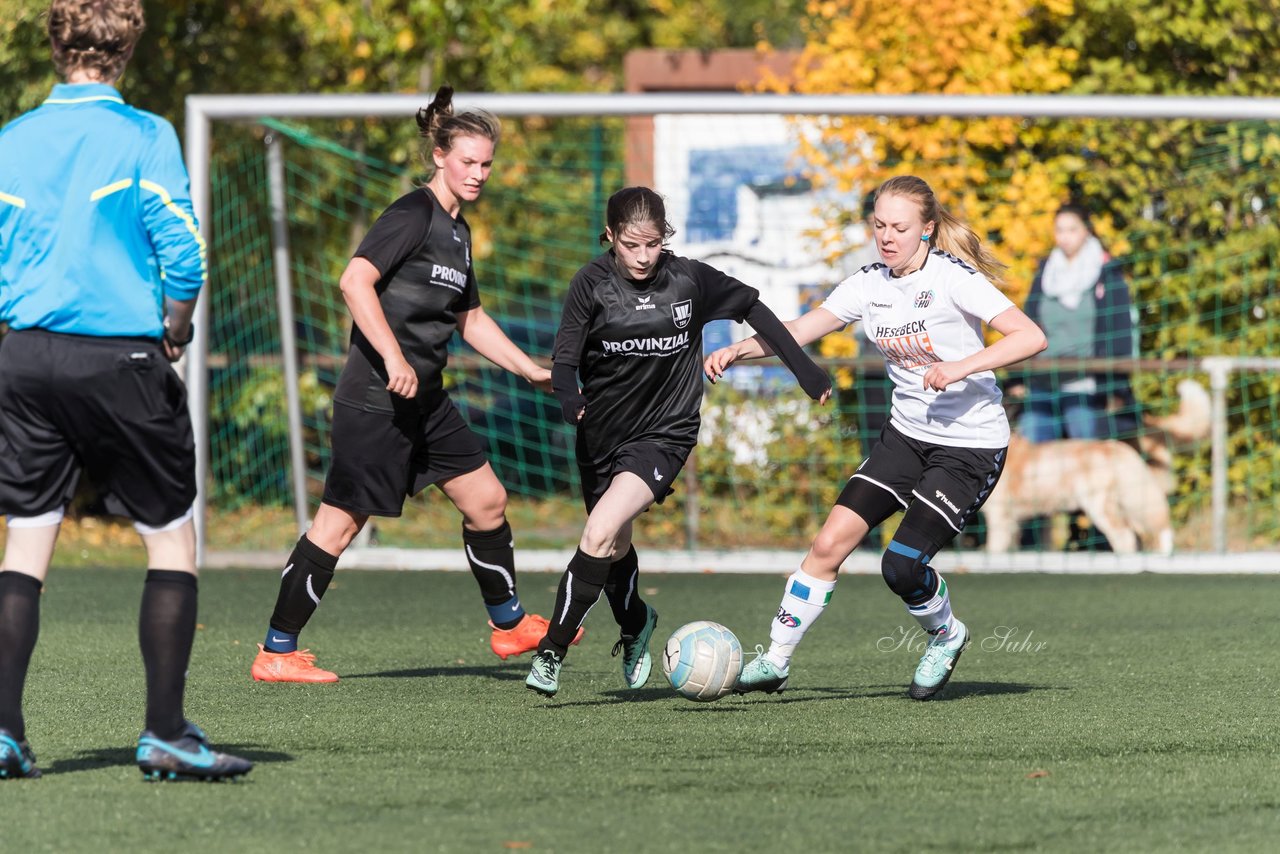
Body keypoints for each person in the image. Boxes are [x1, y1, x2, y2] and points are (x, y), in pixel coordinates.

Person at [249, 86, 579, 684]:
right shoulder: (412, 214)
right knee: (339, 525)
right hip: (376, 400)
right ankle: (276, 650)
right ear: (440, 157)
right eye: (467, 162)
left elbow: (470, 321)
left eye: (486, 164)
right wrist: (393, 356)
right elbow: (354, 282)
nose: (478, 174)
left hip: (426, 402)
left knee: (487, 501)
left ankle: (508, 627)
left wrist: (530, 369)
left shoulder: (460, 232)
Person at [0, 0, 251, 780]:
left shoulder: (10, 141)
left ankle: (4, 734)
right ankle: (167, 732)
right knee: (172, 536)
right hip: (119, 361)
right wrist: (176, 326)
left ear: (55, 47)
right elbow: (184, 250)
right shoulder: (145, 135)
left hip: (25, 359)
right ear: (127, 51)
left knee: (26, 539)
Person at [704, 175, 1047, 700]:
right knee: (827, 545)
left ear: (927, 230)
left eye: (900, 228)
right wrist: (740, 350)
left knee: (900, 566)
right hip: (904, 439)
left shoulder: (955, 280)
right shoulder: (868, 283)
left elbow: (1031, 336)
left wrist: (960, 367)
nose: (887, 237)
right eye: (879, 225)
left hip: (970, 447)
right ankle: (773, 660)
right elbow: (798, 329)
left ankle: (946, 634)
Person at [524, 187, 831, 697]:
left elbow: (755, 310)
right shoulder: (591, 285)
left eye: (652, 244)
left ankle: (550, 653)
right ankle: (637, 622)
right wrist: (568, 398)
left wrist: (805, 371)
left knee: (598, 531)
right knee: (613, 545)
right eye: (630, 245)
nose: (643, 257)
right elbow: (564, 359)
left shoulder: (689, 279)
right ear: (610, 237)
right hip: (600, 435)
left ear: (664, 238)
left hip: (665, 433)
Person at [1015, 203, 1138, 549]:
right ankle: (1032, 546)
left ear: (1086, 230)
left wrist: (1117, 386)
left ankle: (1096, 541)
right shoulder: (1045, 273)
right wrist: (1019, 375)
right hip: (1042, 384)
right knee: (1033, 467)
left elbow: (1119, 333)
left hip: (1086, 385)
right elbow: (1027, 323)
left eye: (1071, 229)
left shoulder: (1107, 274)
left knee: (1091, 468)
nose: (1065, 237)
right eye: (1059, 230)